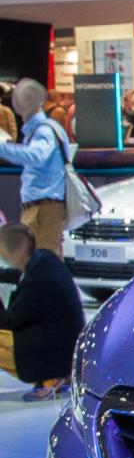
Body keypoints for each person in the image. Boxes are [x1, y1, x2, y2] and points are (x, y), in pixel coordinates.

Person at [0, 221, 84, 401]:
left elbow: (9, 321)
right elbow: (20, 275)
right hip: (66, 345)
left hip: (53, 352)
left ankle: (50, 379)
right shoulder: (45, 259)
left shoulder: (37, 282)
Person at [0, 79, 69, 258]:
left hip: (44, 208)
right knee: (45, 261)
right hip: (40, 206)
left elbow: (36, 156)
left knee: (44, 261)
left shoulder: (44, 130)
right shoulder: (39, 130)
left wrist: (2, 147)